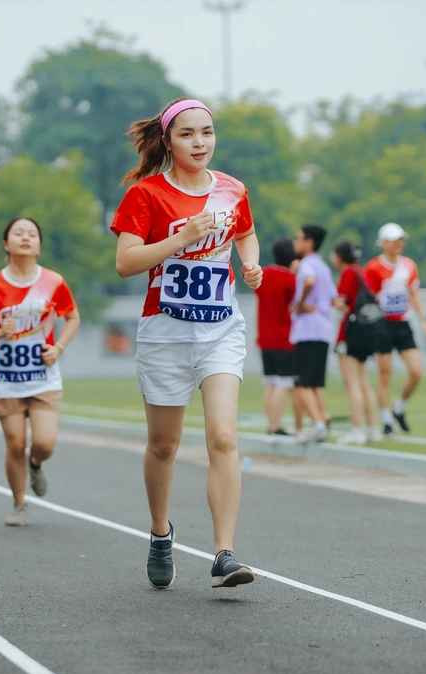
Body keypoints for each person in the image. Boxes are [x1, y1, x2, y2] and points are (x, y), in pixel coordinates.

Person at [112, 97, 262, 590]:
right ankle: (161, 533)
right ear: (169, 141)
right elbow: (126, 263)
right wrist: (181, 239)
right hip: (166, 333)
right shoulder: (146, 195)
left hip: (220, 328)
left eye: (207, 132)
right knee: (164, 445)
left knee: (223, 436)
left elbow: (246, 232)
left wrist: (250, 263)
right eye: (188, 134)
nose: (200, 143)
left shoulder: (232, 189)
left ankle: (224, 554)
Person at [0, 217, 80, 527]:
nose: (26, 237)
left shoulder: (53, 281)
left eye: (32, 234)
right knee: (15, 443)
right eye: (18, 233)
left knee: (44, 443)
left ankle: (36, 463)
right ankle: (19, 504)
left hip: (43, 375)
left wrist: (59, 348)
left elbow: (73, 317)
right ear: (6, 243)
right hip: (7, 378)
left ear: (39, 245)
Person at [364, 222, 426, 436]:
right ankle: (386, 419)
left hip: (403, 324)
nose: (398, 244)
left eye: (401, 240)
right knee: (385, 373)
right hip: (382, 324)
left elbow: (413, 294)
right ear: (384, 243)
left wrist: (423, 319)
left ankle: (399, 406)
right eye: (394, 241)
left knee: (416, 371)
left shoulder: (409, 265)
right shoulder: (374, 268)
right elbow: (369, 299)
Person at [331, 242, 383, 445]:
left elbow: (341, 303)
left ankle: (357, 429)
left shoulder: (347, 273)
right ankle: (373, 428)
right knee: (364, 382)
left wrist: (331, 301)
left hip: (350, 333)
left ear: (340, 257)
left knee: (352, 384)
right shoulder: (360, 272)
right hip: (365, 333)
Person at [290, 224, 337, 444]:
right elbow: (333, 298)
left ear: (309, 242)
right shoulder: (324, 267)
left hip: (307, 329)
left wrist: (300, 303)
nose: (296, 242)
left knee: (302, 383)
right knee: (315, 383)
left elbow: (309, 281)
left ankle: (317, 424)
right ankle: (323, 419)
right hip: (324, 328)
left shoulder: (307, 265)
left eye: (299, 238)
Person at [253, 237, 301, 436]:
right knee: (284, 383)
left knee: (271, 382)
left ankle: (271, 423)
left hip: (264, 337)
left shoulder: (263, 274)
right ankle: (275, 425)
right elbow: (296, 304)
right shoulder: (290, 279)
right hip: (283, 337)